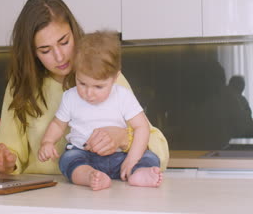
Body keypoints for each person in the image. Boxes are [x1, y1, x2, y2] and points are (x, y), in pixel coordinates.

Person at [0, 0, 169, 175]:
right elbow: (10, 154)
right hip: (45, 195)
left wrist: (123, 138)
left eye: (64, 42)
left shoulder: (101, 75)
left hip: (100, 191)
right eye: (45, 50)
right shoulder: (20, 86)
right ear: (32, 53)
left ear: (74, 33)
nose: (59, 57)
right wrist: (5, 163)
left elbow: (159, 147)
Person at [38, 31, 162, 190]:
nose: (88, 93)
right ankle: (90, 176)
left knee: (148, 156)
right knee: (68, 159)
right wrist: (47, 142)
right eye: (82, 83)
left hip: (120, 158)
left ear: (115, 77)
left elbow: (141, 127)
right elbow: (57, 124)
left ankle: (138, 173)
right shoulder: (70, 97)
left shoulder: (123, 96)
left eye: (98, 86)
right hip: (84, 156)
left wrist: (131, 159)